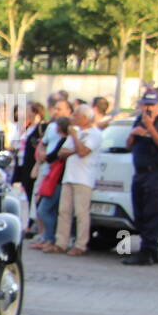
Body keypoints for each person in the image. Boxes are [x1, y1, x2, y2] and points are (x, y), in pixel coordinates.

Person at [123, 88, 158, 265]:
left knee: (152, 213)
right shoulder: (139, 120)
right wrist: (133, 133)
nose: (148, 108)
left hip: (156, 173)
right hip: (140, 172)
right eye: (146, 104)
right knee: (140, 213)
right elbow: (129, 145)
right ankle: (150, 250)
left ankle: (148, 251)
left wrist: (150, 127)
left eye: (152, 105)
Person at [43, 105, 102, 256]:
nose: (72, 118)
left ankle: (80, 244)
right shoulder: (74, 132)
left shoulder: (93, 134)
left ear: (85, 117)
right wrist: (75, 148)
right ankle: (61, 242)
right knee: (64, 211)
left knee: (81, 213)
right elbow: (61, 153)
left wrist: (75, 140)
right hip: (69, 176)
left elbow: (83, 152)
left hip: (84, 178)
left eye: (75, 115)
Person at [29, 97, 72, 249]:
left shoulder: (67, 139)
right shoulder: (53, 131)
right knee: (44, 208)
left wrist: (46, 156)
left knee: (45, 209)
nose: (55, 112)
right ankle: (46, 237)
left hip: (58, 178)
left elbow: (54, 155)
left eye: (59, 109)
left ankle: (50, 238)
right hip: (51, 175)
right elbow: (45, 146)